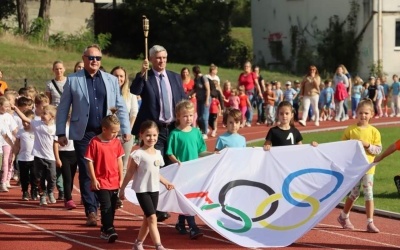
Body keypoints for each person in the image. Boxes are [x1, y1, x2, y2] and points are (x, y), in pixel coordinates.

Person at [56, 44, 131, 226]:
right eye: (91, 58)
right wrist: (60, 132)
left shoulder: (111, 80)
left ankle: (102, 203)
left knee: (106, 169)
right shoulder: (73, 80)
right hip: (84, 132)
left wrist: (126, 129)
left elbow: (120, 105)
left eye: (98, 58)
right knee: (87, 171)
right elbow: (63, 107)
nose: (94, 61)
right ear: (84, 59)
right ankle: (91, 210)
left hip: (106, 132)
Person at [130, 45, 186, 222]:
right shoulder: (146, 77)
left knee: (177, 164)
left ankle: (180, 209)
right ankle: (156, 208)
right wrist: (141, 72)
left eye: (164, 57)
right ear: (151, 59)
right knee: (155, 168)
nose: (161, 61)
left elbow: (183, 102)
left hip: (174, 128)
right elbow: (135, 90)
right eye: (158, 58)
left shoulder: (175, 78)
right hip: (155, 131)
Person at [120, 120, 174, 250]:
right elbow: (130, 172)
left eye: (154, 135)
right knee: (153, 217)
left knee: (147, 218)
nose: (152, 138)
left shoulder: (158, 154)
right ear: (141, 136)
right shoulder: (138, 154)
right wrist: (122, 190)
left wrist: (166, 182)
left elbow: (156, 173)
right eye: (148, 135)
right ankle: (158, 245)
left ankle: (138, 243)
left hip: (154, 189)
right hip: (142, 190)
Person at [166, 100, 210, 239]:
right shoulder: (175, 134)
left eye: (191, 115)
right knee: (187, 199)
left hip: (194, 172)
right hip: (181, 172)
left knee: (190, 198)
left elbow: (201, 151)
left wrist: (214, 155)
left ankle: (180, 222)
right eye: (185, 116)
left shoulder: (196, 132)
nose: (188, 119)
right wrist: (177, 162)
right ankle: (193, 227)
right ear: (178, 116)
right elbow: (169, 152)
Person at [337, 99, 382, 233]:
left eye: (366, 113)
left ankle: (370, 222)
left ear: (372, 114)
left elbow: (378, 149)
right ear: (356, 113)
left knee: (369, 193)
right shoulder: (350, 130)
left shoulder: (374, 132)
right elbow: (342, 147)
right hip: (354, 168)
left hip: (368, 168)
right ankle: (343, 216)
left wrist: (367, 145)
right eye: (361, 113)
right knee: (354, 193)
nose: (363, 116)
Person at [85, 110, 124, 243]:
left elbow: (119, 160)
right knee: (106, 206)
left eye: (117, 132)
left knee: (112, 206)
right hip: (101, 181)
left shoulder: (117, 142)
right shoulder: (94, 142)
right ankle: (110, 228)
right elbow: (89, 161)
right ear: (104, 129)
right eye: (113, 132)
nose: (115, 134)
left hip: (114, 179)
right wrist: (94, 178)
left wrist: (121, 177)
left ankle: (105, 229)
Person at [13, 104, 58, 206]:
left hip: (50, 157)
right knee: (39, 177)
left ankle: (50, 191)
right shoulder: (37, 124)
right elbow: (24, 118)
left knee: (52, 177)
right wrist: (16, 108)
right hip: (38, 156)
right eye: (42, 113)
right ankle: (42, 195)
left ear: (52, 116)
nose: (42, 115)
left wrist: (57, 157)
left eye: (45, 114)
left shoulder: (55, 128)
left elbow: (57, 143)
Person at [110, 66, 139, 175]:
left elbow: (133, 113)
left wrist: (128, 130)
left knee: (123, 164)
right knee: (110, 163)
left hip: (125, 136)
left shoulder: (131, 95)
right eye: (116, 75)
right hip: (110, 135)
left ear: (125, 78)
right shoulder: (107, 94)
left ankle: (119, 191)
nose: (118, 78)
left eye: (121, 76)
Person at [53, 112, 77, 209]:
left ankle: (67, 198)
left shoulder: (77, 128)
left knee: (71, 178)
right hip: (64, 154)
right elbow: (55, 144)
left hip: (74, 154)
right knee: (67, 178)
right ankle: (69, 199)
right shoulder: (61, 129)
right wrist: (57, 158)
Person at [13, 109, 38, 200]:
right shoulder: (20, 131)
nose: (25, 124)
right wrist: (14, 155)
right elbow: (16, 144)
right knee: (24, 176)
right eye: (23, 122)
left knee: (34, 176)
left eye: (27, 122)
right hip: (23, 158)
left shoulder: (35, 131)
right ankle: (25, 191)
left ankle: (34, 191)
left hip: (34, 157)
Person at [0, 96, 18, 192]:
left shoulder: (8, 116)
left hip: (7, 143)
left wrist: (18, 138)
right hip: (1, 142)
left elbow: (14, 129)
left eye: (8, 106)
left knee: (7, 161)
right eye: (5, 106)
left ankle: (5, 181)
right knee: (3, 163)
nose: (7, 108)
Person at [238, 61, 262, 127]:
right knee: (242, 107)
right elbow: (238, 84)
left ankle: (249, 120)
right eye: (245, 66)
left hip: (250, 93)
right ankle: (245, 119)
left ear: (250, 67)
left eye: (247, 66)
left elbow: (257, 84)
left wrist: (259, 92)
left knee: (249, 106)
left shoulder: (252, 74)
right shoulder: (241, 75)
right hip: (242, 93)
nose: (246, 68)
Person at [191, 65, 210, 139]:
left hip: (205, 99)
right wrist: (187, 95)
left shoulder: (203, 78)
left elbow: (208, 89)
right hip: (199, 99)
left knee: (204, 116)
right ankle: (202, 130)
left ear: (194, 72)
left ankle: (205, 132)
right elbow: (194, 89)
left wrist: (207, 100)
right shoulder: (196, 79)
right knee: (199, 117)